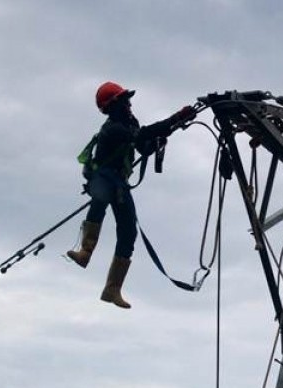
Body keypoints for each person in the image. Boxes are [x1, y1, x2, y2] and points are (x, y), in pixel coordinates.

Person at [66, 81, 196, 309]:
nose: (129, 104)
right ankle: (85, 251)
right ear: (113, 105)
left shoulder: (128, 123)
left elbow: (142, 145)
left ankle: (112, 288)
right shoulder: (113, 128)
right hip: (103, 177)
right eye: (124, 100)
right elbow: (141, 135)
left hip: (119, 181)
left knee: (128, 231)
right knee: (100, 200)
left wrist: (160, 139)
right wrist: (176, 118)